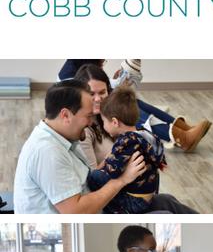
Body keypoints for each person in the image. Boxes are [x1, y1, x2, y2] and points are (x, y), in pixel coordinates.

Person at [13, 80, 146, 214]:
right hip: (85, 215)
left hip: (96, 208)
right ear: (66, 115)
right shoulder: (47, 152)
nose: (91, 122)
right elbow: (75, 212)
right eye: (88, 116)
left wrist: (110, 160)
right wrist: (121, 180)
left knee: (159, 203)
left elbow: (86, 180)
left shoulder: (64, 137)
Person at [70, 62, 212, 154]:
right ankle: (181, 137)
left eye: (102, 92)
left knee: (133, 103)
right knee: (124, 107)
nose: (98, 99)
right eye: (92, 94)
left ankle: (183, 129)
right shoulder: (83, 128)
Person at [86, 87, 166, 214]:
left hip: (134, 201)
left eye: (104, 121)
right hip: (149, 195)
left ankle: (113, 213)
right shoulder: (145, 134)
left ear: (114, 122)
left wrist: (107, 159)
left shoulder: (125, 142)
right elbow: (161, 157)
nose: (103, 125)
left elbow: (113, 172)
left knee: (94, 177)